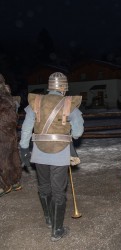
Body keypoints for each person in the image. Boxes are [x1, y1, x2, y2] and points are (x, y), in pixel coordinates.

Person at [19, 72, 84, 241]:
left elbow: (26, 128)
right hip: (60, 152)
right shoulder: (69, 103)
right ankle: (57, 230)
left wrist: (24, 148)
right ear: (63, 88)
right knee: (58, 191)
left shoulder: (37, 101)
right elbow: (77, 133)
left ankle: (48, 219)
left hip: (39, 152)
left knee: (44, 186)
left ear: (49, 86)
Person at [0, 74, 22, 197]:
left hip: (2, 134)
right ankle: (14, 182)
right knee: (11, 157)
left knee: (3, 159)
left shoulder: (3, 99)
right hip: (9, 134)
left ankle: (4, 185)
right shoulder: (9, 98)